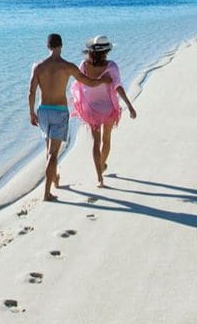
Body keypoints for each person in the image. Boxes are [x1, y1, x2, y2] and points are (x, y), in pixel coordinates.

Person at [28, 33, 111, 201]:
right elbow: (89, 82)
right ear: (61, 46)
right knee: (53, 153)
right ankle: (46, 193)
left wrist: (31, 112)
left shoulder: (38, 67)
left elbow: (31, 92)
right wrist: (104, 80)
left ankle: (55, 178)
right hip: (59, 111)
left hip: (43, 110)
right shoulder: (68, 66)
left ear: (48, 47)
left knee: (49, 150)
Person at [70, 35, 137, 187]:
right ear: (106, 51)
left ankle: (99, 178)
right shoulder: (111, 66)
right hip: (108, 109)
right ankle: (101, 165)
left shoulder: (84, 65)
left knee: (96, 141)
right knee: (106, 140)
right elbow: (118, 86)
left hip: (90, 109)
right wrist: (129, 105)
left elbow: (79, 83)